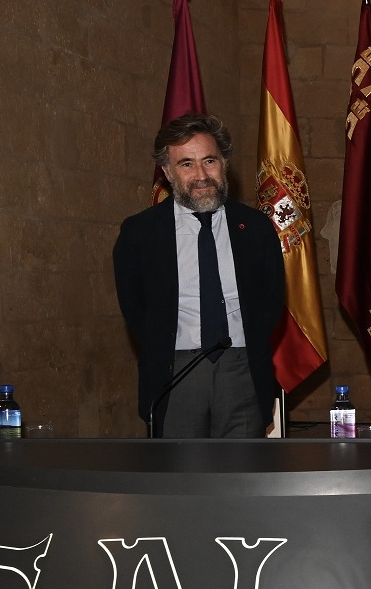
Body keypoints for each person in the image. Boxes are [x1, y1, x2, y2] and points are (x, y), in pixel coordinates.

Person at [113, 115, 286, 437]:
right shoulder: (140, 233)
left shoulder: (255, 228)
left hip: (242, 370)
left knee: (244, 465)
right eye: (187, 164)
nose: (202, 175)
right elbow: (135, 309)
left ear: (224, 163)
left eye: (209, 161)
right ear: (167, 172)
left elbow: (271, 301)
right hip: (176, 373)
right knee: (182, 467)